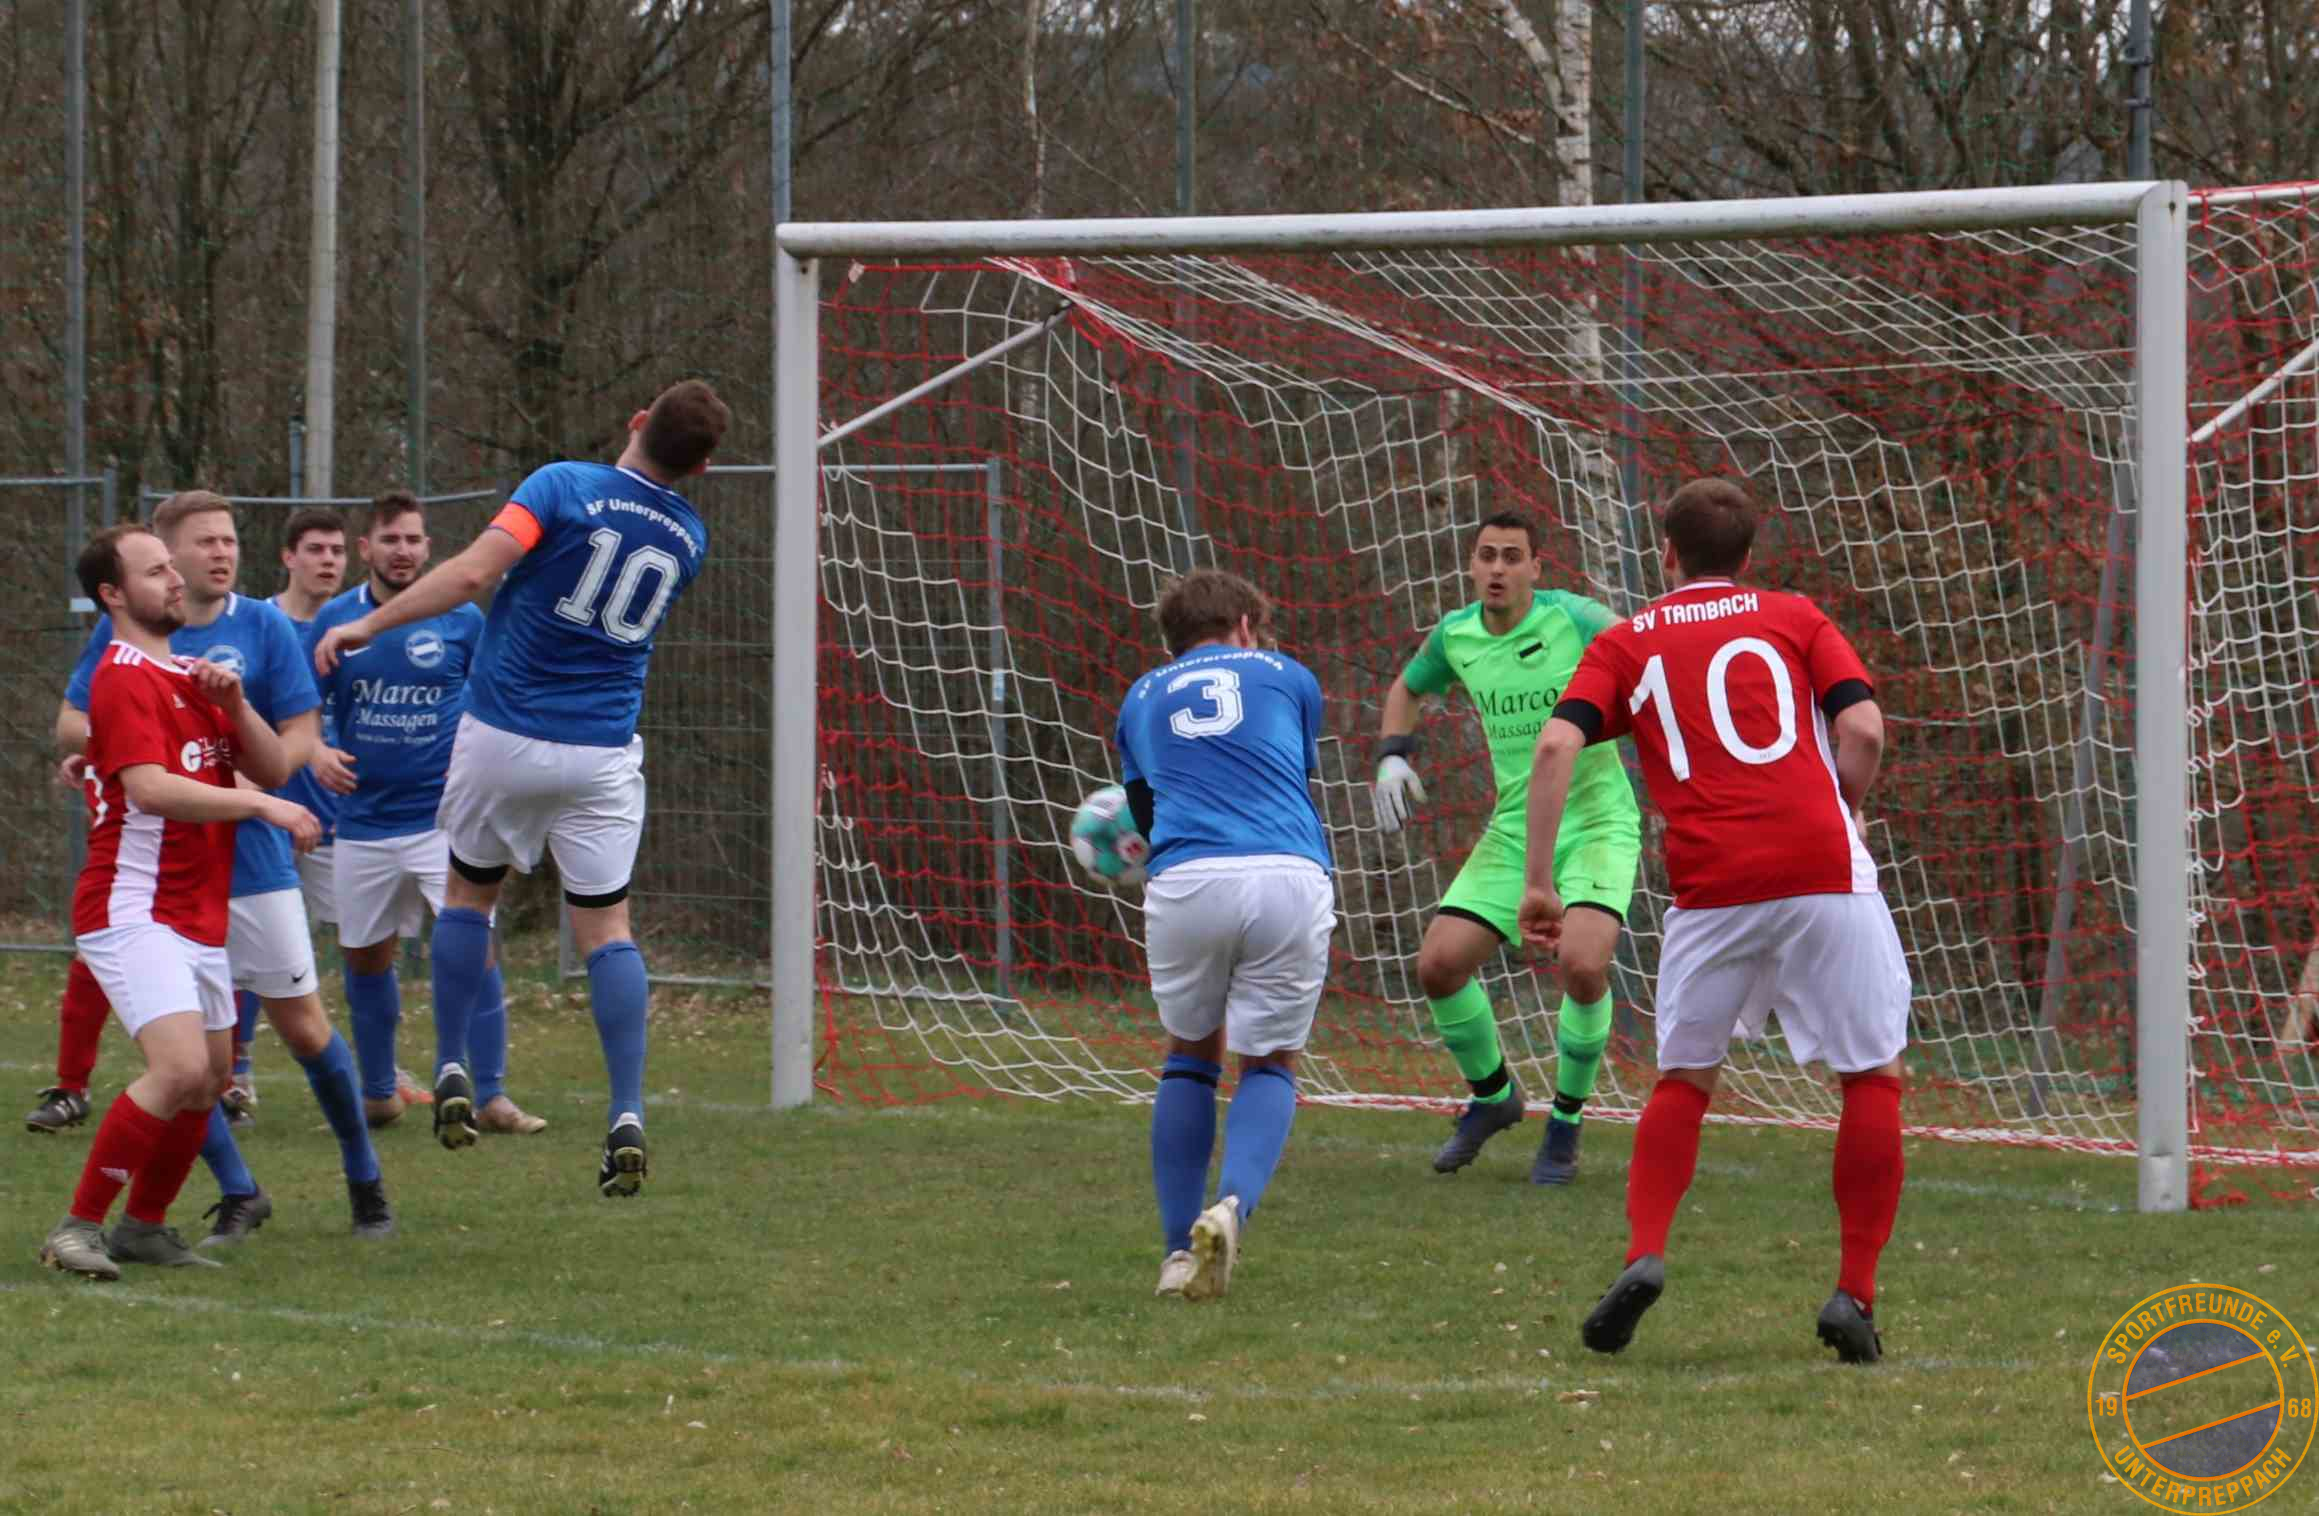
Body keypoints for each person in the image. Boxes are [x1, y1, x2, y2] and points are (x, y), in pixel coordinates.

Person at [1517, 478, 1908, 1366]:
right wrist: (1842, 806)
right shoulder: (1794, 617)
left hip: (1711, 885)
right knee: (1870, 1075)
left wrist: (1539, 883)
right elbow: (1863, 729)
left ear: (1666, 551)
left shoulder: (1626, 641)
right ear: (1747, 553)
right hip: (1822, 871)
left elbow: (1556, 743)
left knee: (1685, 1079)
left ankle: (1644, 1252)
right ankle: (1853, 1292)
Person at [317, 380, 727, 1195]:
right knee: (607, 929)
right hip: (601, 751)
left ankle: (451, 1065)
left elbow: (473, 574)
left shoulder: (561, 485)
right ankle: (626, 1110)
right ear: (702, 468)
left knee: (469, 897)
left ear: (636, 421)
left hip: (505, 732)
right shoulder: (689, 534)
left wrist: (367, 622)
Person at [37, 490, 395, 1245]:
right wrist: (108, 753)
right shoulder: (122, 656)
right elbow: (110, 747)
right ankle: (194, 1201)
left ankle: (359, 1183)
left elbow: (280, 755)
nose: (216, 557)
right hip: (150, 890)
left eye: (227, 541)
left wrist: (234, 720)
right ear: (144, 570)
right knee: (183, 1068)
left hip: (234, 873)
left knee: (253, 1052)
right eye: (196, 546)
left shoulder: (232, 643)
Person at [1374, 512, 1642, 1183]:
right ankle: (1494, 1098)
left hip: (1596, 822)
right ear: (1471, 565)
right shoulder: (1456, 635)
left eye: (1512, 556)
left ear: (1535, 568)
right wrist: (1392, 755)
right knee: (1438, 965)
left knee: (1582, 964)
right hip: (1515, 828)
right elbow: (1407, 688)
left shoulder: (1574, 617)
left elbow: (1645, 653)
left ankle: (1566, 1122)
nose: (1497, 568)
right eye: (1487, 555)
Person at [1119, 570, 1335, 1302]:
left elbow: (1146, 816)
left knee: (1189, 1056)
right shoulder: (1290, 676)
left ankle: (1176, 1254)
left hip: (1189, 879)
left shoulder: (1140, 697)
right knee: (1269, 1063)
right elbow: (1290, 775)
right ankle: (1231, 1208)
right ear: (1245, 625)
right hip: (1285, 873)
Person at [314, 492, 542, 1134]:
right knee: (365, 957)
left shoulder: (462, 619)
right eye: (390, 539)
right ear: (367, 549)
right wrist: (317, 750)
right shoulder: (335, 620)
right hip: (362, 821)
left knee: (475, 947)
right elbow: (304, 707)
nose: (403, 551)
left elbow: (492, 696)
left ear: (428, 547)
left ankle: (491, 1095)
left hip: (442, 820)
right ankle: (379, 1093)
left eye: (413, 539)